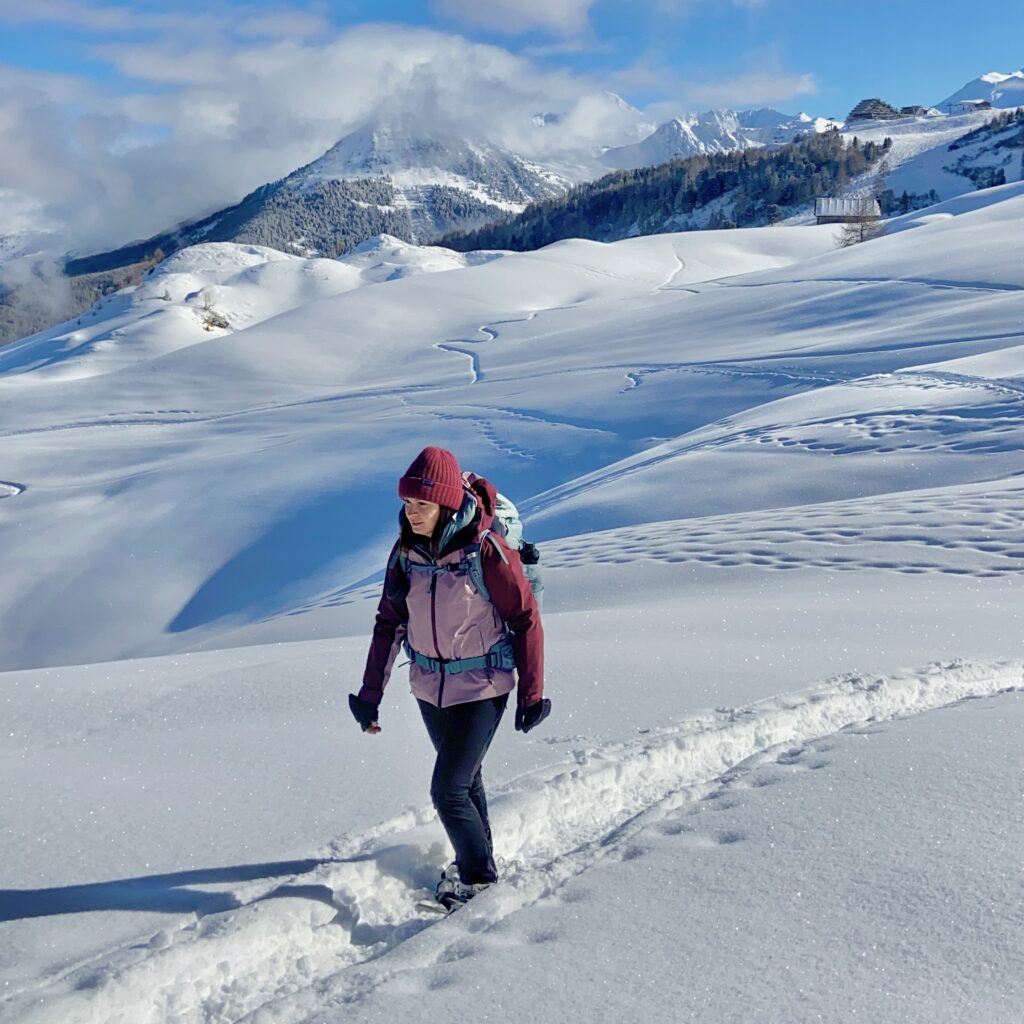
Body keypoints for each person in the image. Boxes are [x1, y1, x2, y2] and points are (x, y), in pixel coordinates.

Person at [349, 446, 550, 910]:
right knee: (467, 779)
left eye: (421, 504)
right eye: (407, 504)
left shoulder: (486, 550)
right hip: (428, 686)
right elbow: (389, 623)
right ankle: (477, 862)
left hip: (484, 685)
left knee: (447, 789)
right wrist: (369, 694)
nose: (411, 512)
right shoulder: (406, 554)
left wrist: (532, 693)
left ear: (445, 502)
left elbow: (525, 619)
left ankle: (479, 879)